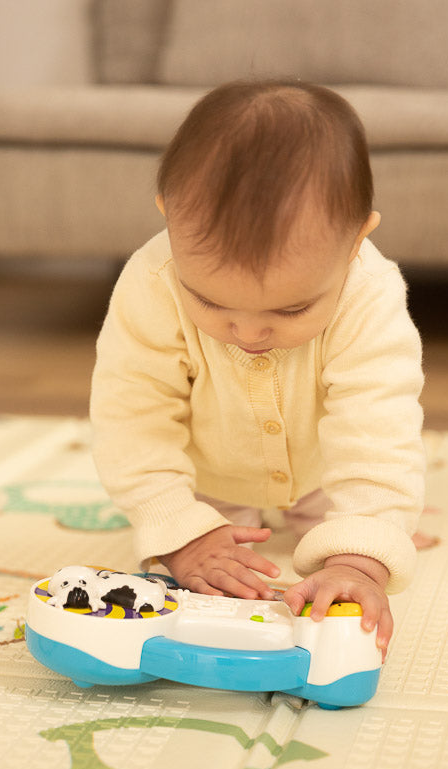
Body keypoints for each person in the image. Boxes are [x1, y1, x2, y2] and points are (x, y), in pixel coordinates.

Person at [90, 80, 425, 658]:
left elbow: (378, 430)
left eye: (292, 308)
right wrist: (178, 528)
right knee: (212, 565)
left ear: (354, 243)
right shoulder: (150, 283)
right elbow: (132, 418)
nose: (246, 333)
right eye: (211, 303)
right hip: (210, 476)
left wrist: (361, 556)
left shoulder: (370, 295)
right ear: (170, 219)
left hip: (325, 466)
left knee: (365, 526)